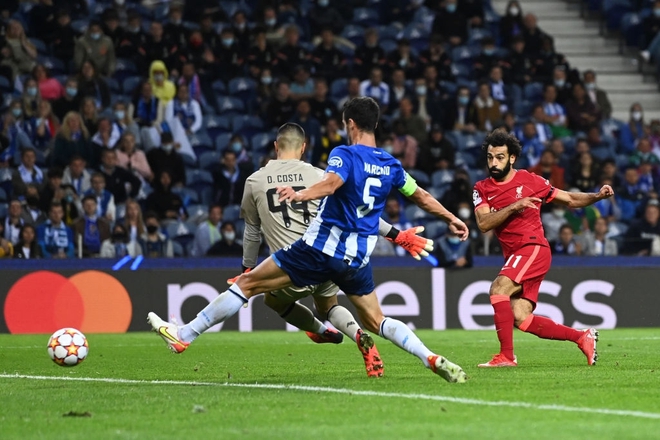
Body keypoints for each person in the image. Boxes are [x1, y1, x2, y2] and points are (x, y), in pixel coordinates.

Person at [148, 98, 469, 383]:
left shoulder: (344, 153)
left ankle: (184, 334)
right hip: (357, 259)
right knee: (376, 320)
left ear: (351, 124)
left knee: (247, 284)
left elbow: (331, 184)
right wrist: (452, 218)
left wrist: (300, 193)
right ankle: (427, 356)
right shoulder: (391, 164)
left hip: (319, 249)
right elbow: (422, 195)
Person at [472, 129, 613, 367]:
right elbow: (484, 223)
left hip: (533, 247)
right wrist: (515, 207)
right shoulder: (481, 188)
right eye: (490, 157)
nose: (493, 163)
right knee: (520, 317)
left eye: (499, 157)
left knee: (498, 289)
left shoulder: (531, 181)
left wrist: (597, 196)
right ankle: (581, 337)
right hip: (515, 254)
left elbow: (569, 199)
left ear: (512, 158)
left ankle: (506, 357)